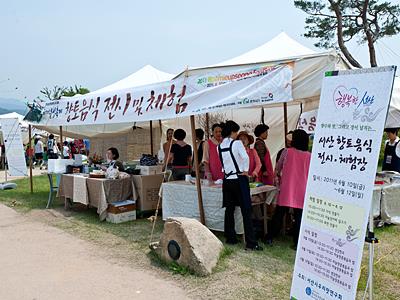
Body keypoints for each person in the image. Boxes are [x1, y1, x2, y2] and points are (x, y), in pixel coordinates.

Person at [218, 120, 262, 251]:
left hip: (227, 180)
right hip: (239, 178)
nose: (237, 134)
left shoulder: (219, 146)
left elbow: (224, 164)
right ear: (232, 132)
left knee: (229, 209)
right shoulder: (236, 143)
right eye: (236, 131)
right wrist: (245, 170)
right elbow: (245, 157)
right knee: (246, 210)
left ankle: (230, 237)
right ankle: (251, 242)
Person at [266, 129, 311, 249]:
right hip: (302, 189)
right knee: (299, 216)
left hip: (287, 187)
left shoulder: (287, 152)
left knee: (279, 214)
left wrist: (278, 178)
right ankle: (297, 243)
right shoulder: (309, 156)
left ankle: (270, 237)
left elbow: (278, 167)